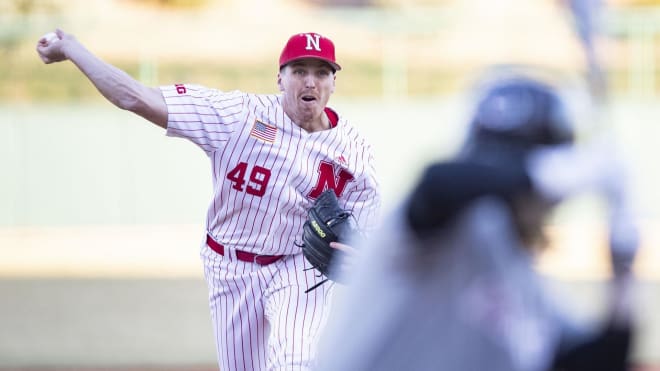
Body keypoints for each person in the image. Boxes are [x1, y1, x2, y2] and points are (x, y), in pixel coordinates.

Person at [36, 30, 380, 370]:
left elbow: (370, 233)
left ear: (334, 82)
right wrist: (73, 49)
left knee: (297, 361)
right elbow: (137, 97)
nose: (310, 81)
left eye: (322, 72)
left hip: (297, 265)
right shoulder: (238, 115)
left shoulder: (354, 150)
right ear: (280, 78)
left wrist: (362, 256)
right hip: (230, 266)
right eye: (299, 70)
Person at [316, 73, 639, 371]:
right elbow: (440, 184)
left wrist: (623, 278)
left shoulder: (521, 280)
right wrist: (554, 174)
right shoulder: (431, 234)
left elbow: (587, 361)